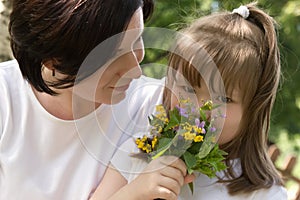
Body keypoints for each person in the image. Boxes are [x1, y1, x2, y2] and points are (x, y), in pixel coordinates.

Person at [92, 2, 288, 200]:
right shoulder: (138, 151)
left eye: (223, 98)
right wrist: (135, 192)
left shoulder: (263, 193)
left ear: (253, 109)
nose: (199, 108)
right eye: (187, 89)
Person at [1, 0, 191, 199]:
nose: (136, 71)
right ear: (54, 61)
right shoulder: (6, 99)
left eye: (137, 40)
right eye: (113, 55)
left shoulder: (155, 106)